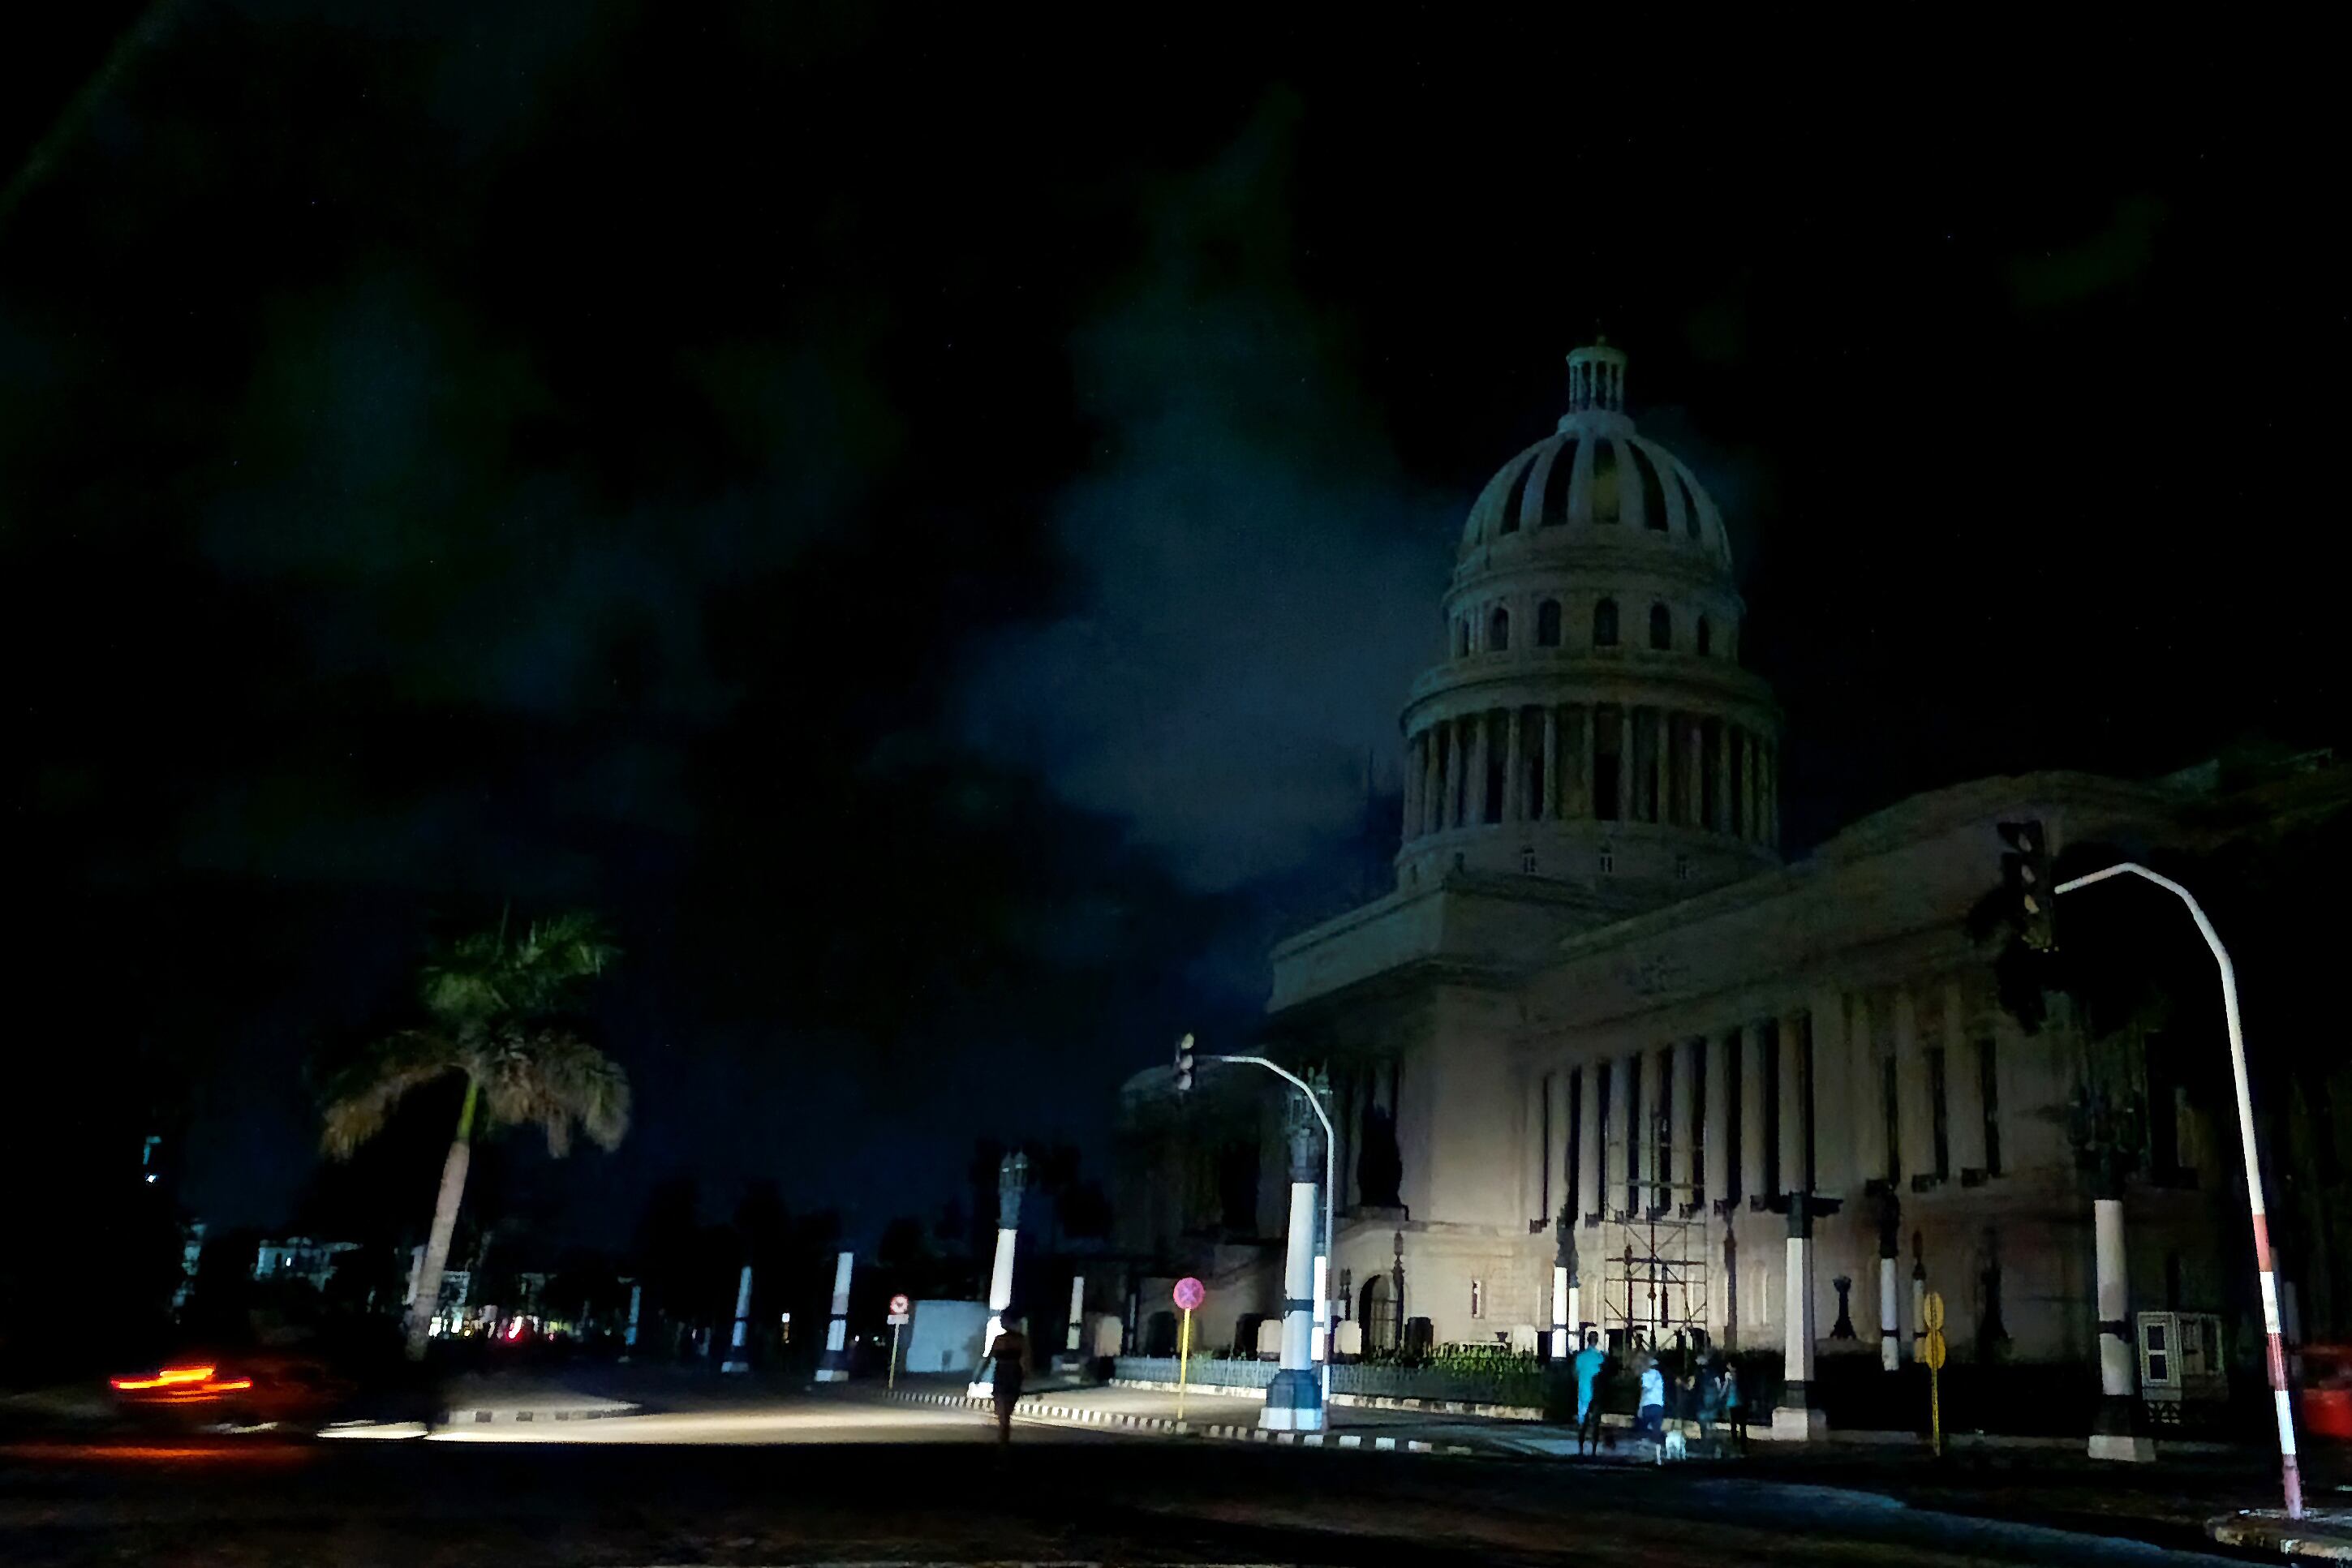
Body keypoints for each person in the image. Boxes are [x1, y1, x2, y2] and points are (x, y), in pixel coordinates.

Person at [986, 1314, 1031, 1446]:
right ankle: (1004, 1435)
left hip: (1004, 1375)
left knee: (1003, 1409)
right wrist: (1026, 1375)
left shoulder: (1001, 1340)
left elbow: (989, 1359)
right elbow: (1027, 1359)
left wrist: (979, 1374)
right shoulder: (1019, 1340)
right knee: (1006, 1409)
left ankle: (1003, 1435)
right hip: (1011, 1375)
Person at [1572, 1330, 1607, 1456]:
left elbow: (1575, 1374)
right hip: (1596, 1394)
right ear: (1597, 1341)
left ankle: (1581, 1450)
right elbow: (1604, 1376)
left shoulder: (1580, 1357)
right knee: (1595, 1424)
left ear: (1587, 1340)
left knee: (1582, 1423)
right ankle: (1593, 1451)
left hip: (1583, 1393)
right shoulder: (1600, 1357)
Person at [1636, 1354, 1667, 1441]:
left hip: (1648, 1405)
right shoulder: (1659, 1376)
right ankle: (1656, 1445)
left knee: (1643, 1428)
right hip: (1658, 1405)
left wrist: (1640, 1407)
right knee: (1656, 1429)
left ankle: (1643, 1443)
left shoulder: (1646, 1375)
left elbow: (1645, 1390)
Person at [1720, 1361, 1747, 1454]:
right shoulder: (1741, 1374)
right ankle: (1743, 1445)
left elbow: (1726, 1388)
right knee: (1742, 1425)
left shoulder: (1729, 1375)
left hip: (1733, 1402)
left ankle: (1735, 1442)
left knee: (1734, 1424)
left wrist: (1721, 1395)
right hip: (1740, 1402)